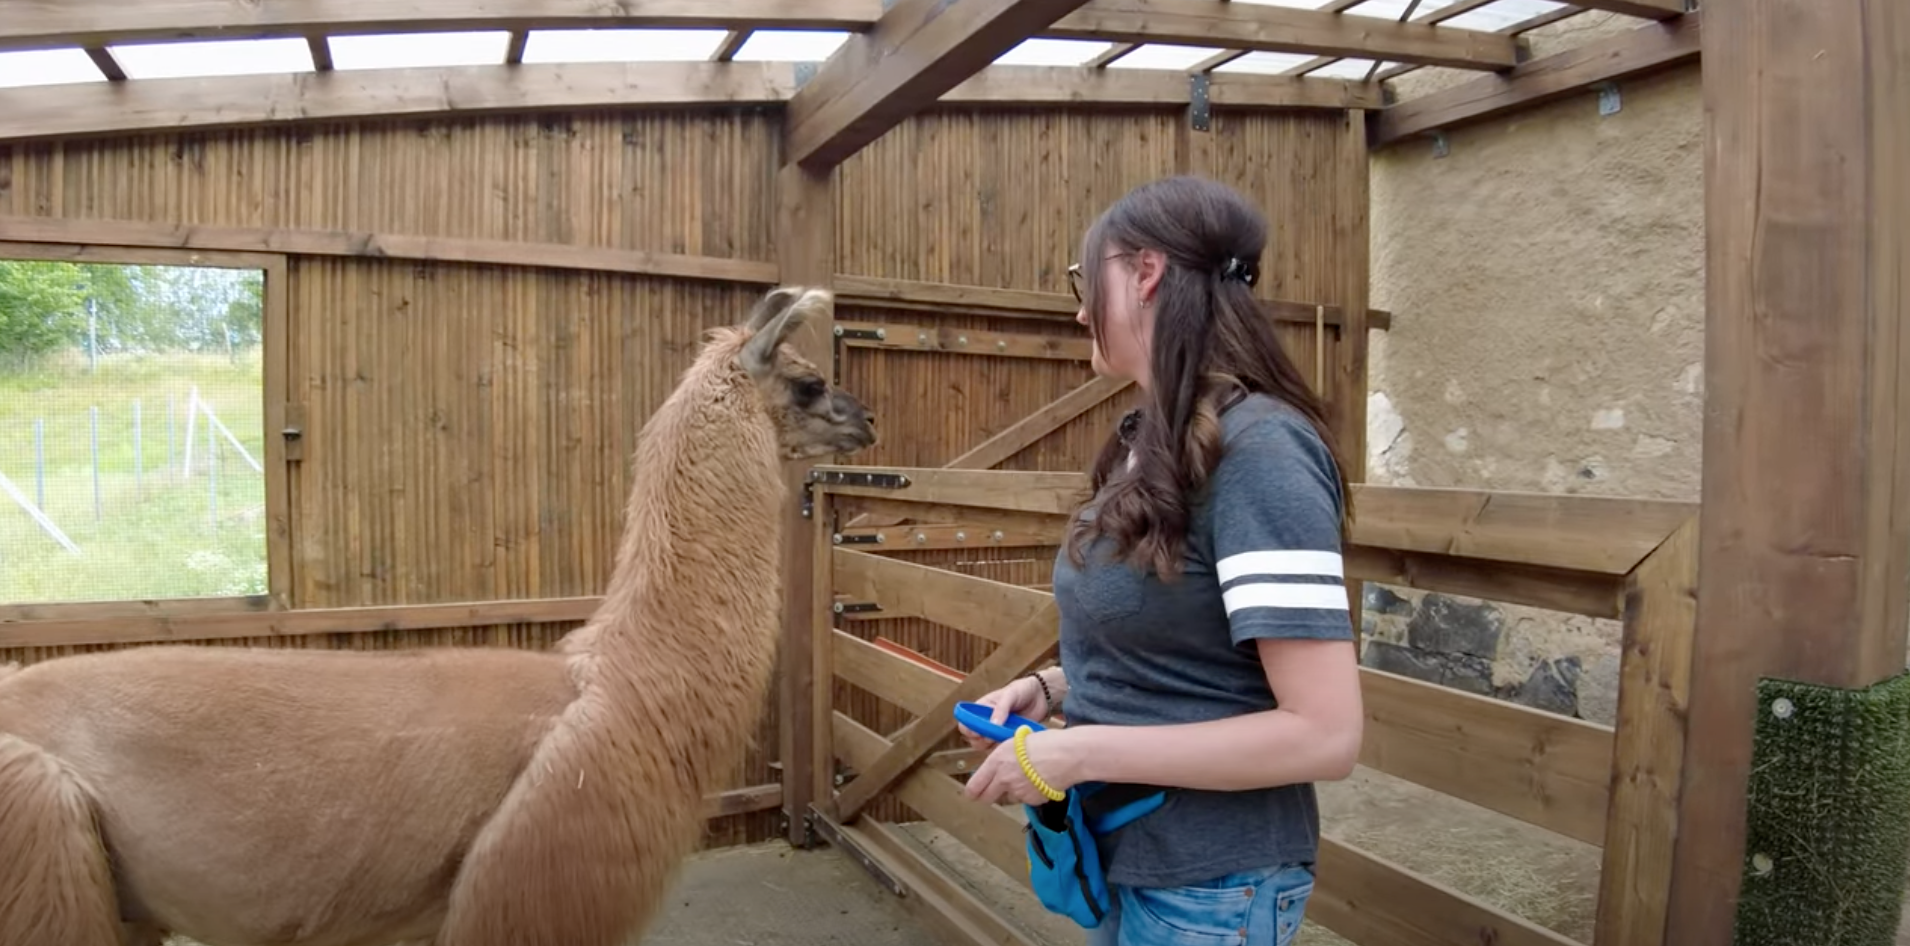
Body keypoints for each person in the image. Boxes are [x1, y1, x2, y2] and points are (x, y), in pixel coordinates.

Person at [956, 175, 1364, 946]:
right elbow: (1192, 647)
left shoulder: (1262, 451)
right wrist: (1052, 689)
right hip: (1125, 863)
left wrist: (1072, 754)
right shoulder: (1152, 438)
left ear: (1145, 273)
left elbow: (1325, 735)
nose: (1079, 310)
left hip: (1210, 889)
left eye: (1085, 280)